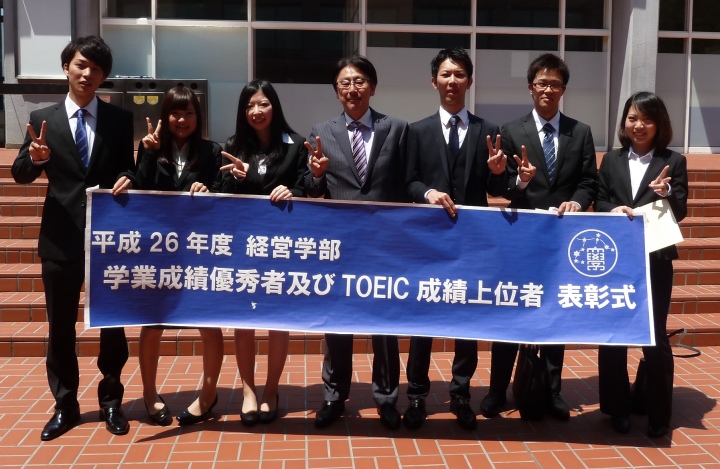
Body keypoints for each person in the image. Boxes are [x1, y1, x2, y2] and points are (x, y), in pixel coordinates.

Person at [11, 36, 135, 440]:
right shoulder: (41, 117)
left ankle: (112, 401)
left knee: (112, 324)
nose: (87, 74)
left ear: (104, 77)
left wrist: (128, 178)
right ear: (67, 67)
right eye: (81, 65)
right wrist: (35, 158)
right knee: (60, 326)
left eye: (96, 69)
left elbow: (129, 169)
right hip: (60, 238)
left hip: (108, 238)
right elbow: (20, 173)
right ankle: (65, 405)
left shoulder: (119, 120)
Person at [481, 53, 598, 421]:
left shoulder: (580, 132)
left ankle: (552, 390)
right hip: (521, 238)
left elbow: (588, 181)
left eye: (555, 84)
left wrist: (578, 202)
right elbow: (499, 188)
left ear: (564, 90)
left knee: (554, 314)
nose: (548, 89)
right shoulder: (511, 131)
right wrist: (519, 179)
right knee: (510, 312)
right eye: (542, 83)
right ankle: (497, 390)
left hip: (560, 238)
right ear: (530, 88)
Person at [403, 48, 507, 430]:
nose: (452, 81)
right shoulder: (417, 130)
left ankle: (461, 394)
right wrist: (427, 193)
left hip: (472, 242)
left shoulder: (488, 130)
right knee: (423, 320)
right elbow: (408, 181)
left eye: (459, 74)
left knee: (467, 320)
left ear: (470, 81)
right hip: (428, 241)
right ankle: (416, 395)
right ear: (434, 82)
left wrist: (498, 172)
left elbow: (497, 189)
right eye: (445, 75)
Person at [305, 55, 408, 430]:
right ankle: (334, 396)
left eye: (360, 81)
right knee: (338, 323)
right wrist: (316, 176)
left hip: (385, 243)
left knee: (384, 325)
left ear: (373, 87)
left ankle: (387, 398)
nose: (353, 89)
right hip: (340, 245)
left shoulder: (396, 128)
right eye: (345, 83)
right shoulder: (321, 131)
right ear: (336, 91)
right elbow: (311, 189)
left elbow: (406, 183)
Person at [112, 86, 224, 426]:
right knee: (153, 323)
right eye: (175, 113)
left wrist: (209, 189)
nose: (182, 120)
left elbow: (224, 194)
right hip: (159, 253)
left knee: (209, 324)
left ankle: (208, 394)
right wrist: (147, 155)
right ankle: (149, 393)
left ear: (198, 118)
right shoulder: (150, 147)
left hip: (200, 252)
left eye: (189, 113)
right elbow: (141, 188)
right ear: (165, 116)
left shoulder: (212, 151)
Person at [595, 91, 687, 438]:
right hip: (616, 259)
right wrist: (612, 209)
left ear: (659, 124)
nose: (639, 125)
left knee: (655, 335)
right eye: (632, 118)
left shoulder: (673, 161)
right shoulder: (612, 159)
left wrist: (666, 193)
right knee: (613, 334)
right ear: (624, 123)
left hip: (656, 258)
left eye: (647, 119)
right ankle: (617, 409)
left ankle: (659, 415)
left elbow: (681, 210)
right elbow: (600, 199)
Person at [220, 79, 307, 426]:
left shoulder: (296, 145)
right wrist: (238, 179)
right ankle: (248, 390)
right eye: (250, 106)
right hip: (243, 248)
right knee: (244, 322)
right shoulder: (233, 146)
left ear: (275, 106)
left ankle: (271, 389)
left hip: (282, 249)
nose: (257, 111)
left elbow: (307, 187)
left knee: (276, 321)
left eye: (263, 104)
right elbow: (221, 194)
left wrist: (295, 191)